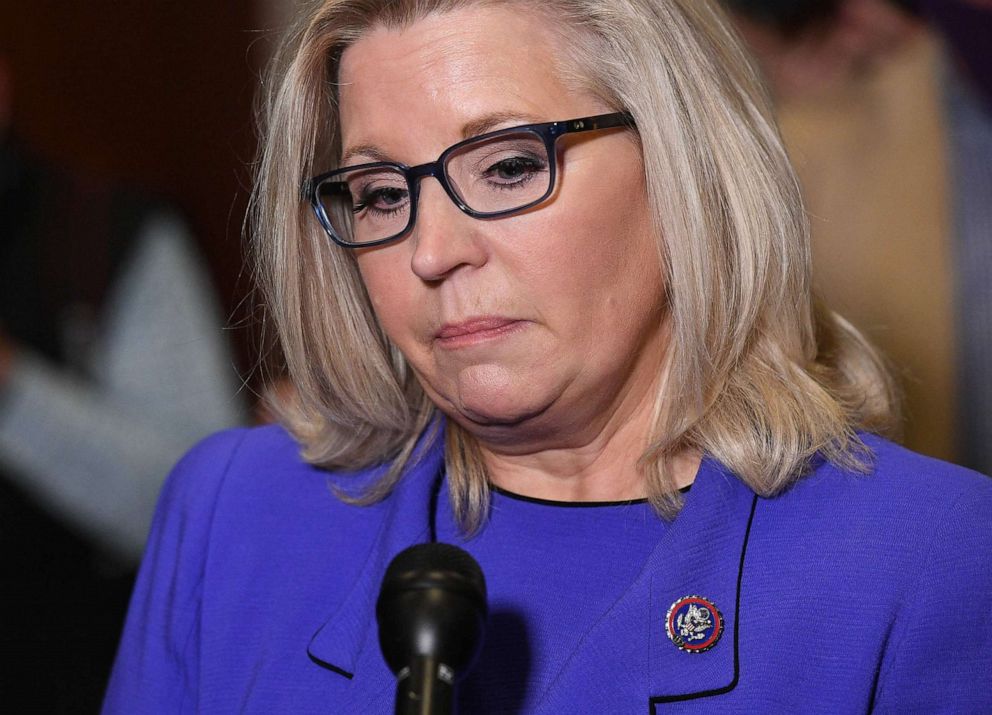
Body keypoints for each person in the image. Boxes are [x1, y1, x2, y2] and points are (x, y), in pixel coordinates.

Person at [103, 0, 992, 712]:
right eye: (379, 193)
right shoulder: (233, 515)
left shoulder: (927, 560)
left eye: (507, 166)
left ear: (684, 166)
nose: (431, 251)